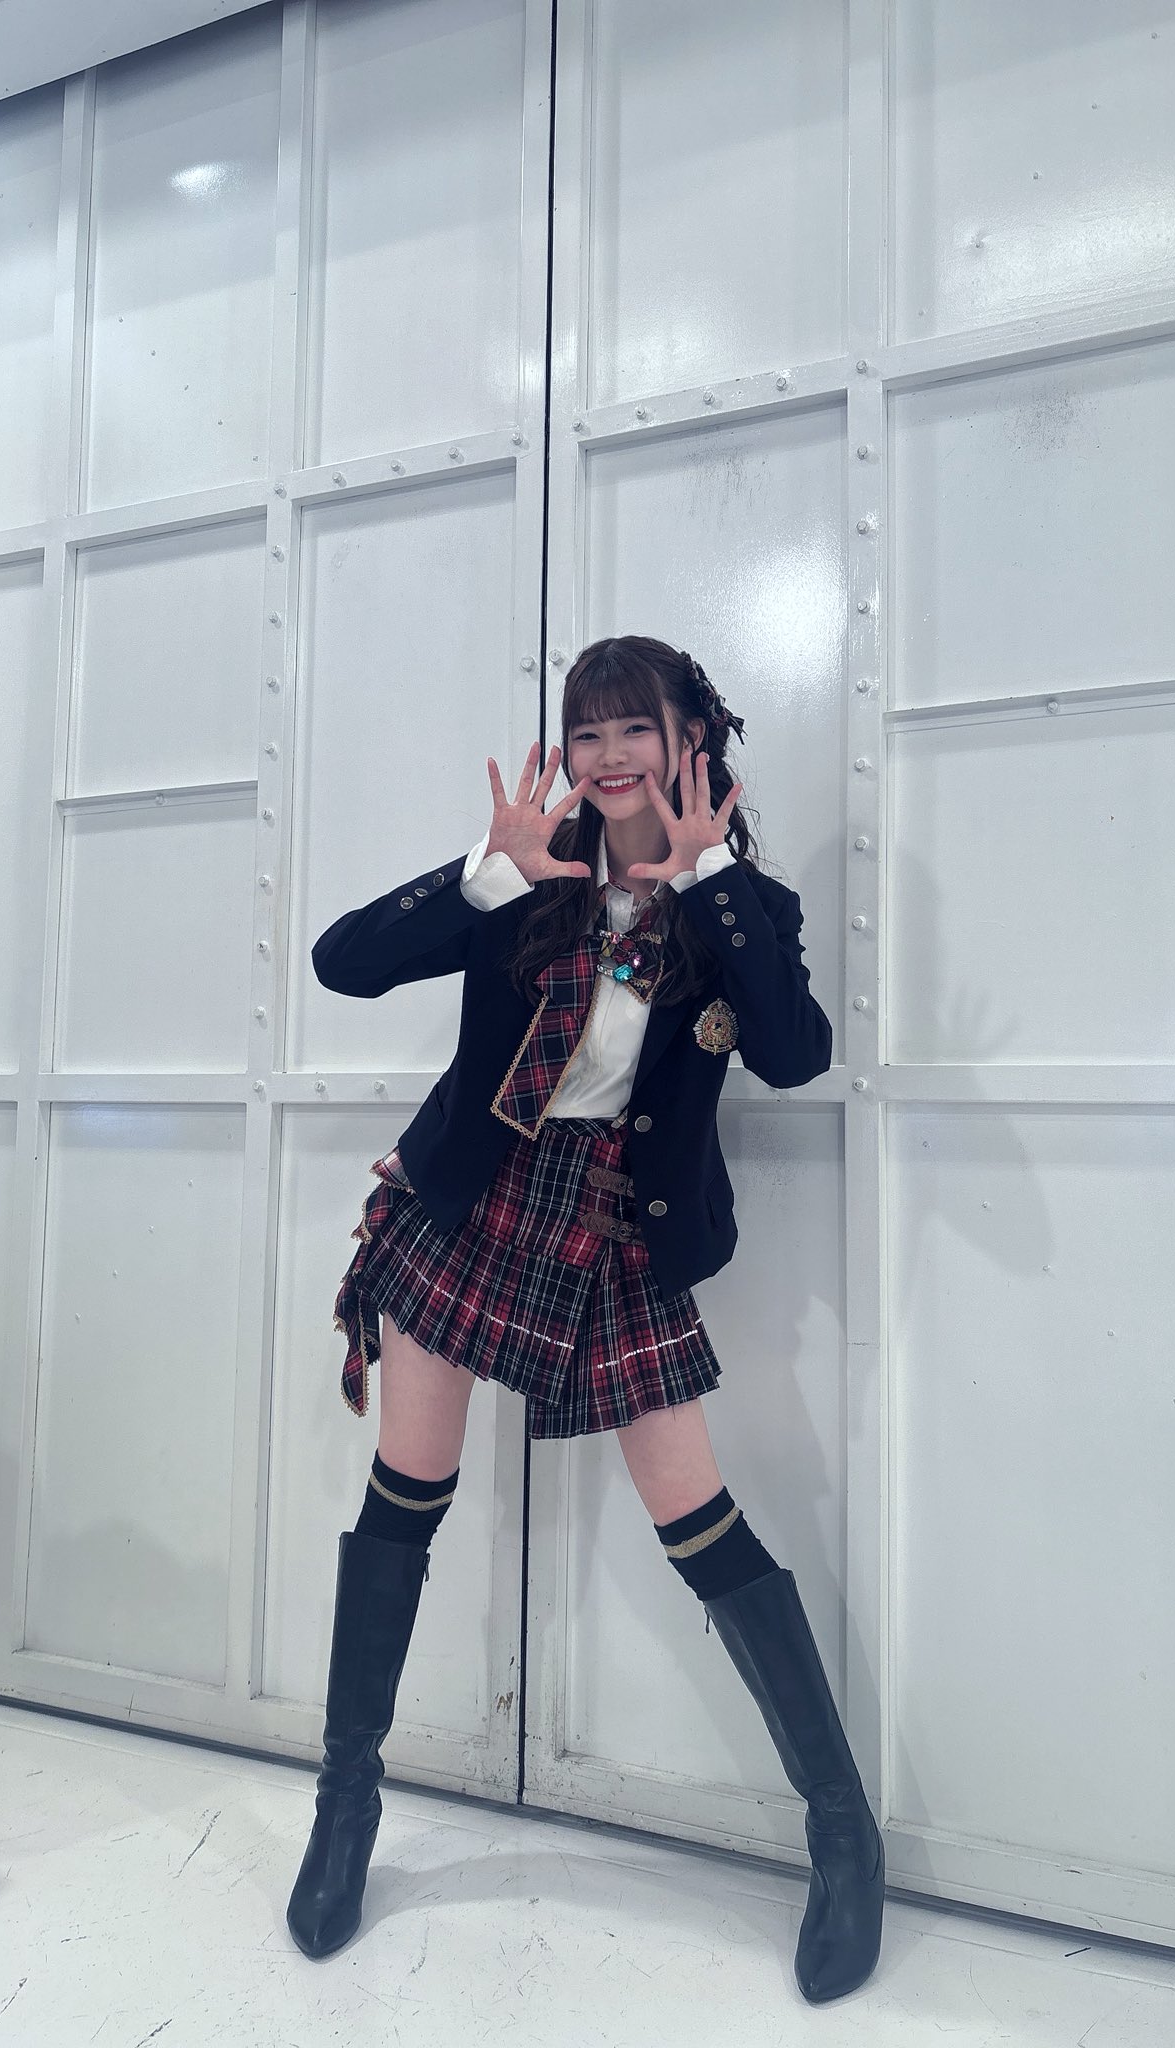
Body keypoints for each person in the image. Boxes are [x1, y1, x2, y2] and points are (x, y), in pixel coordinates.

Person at [287, 636, 884, 2003]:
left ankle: (843, 1835)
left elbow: (793, 1054)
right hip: (473, 1204)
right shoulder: (530, 874)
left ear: (689, 743)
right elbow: (340, 964)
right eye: (589, 731)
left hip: (617, 1228)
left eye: (636, 729)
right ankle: (345, 1804)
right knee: (405, 1495)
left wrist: (712, 881)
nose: (610, 757)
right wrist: (484, 874)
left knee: (700, 1519)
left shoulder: (739, 906)